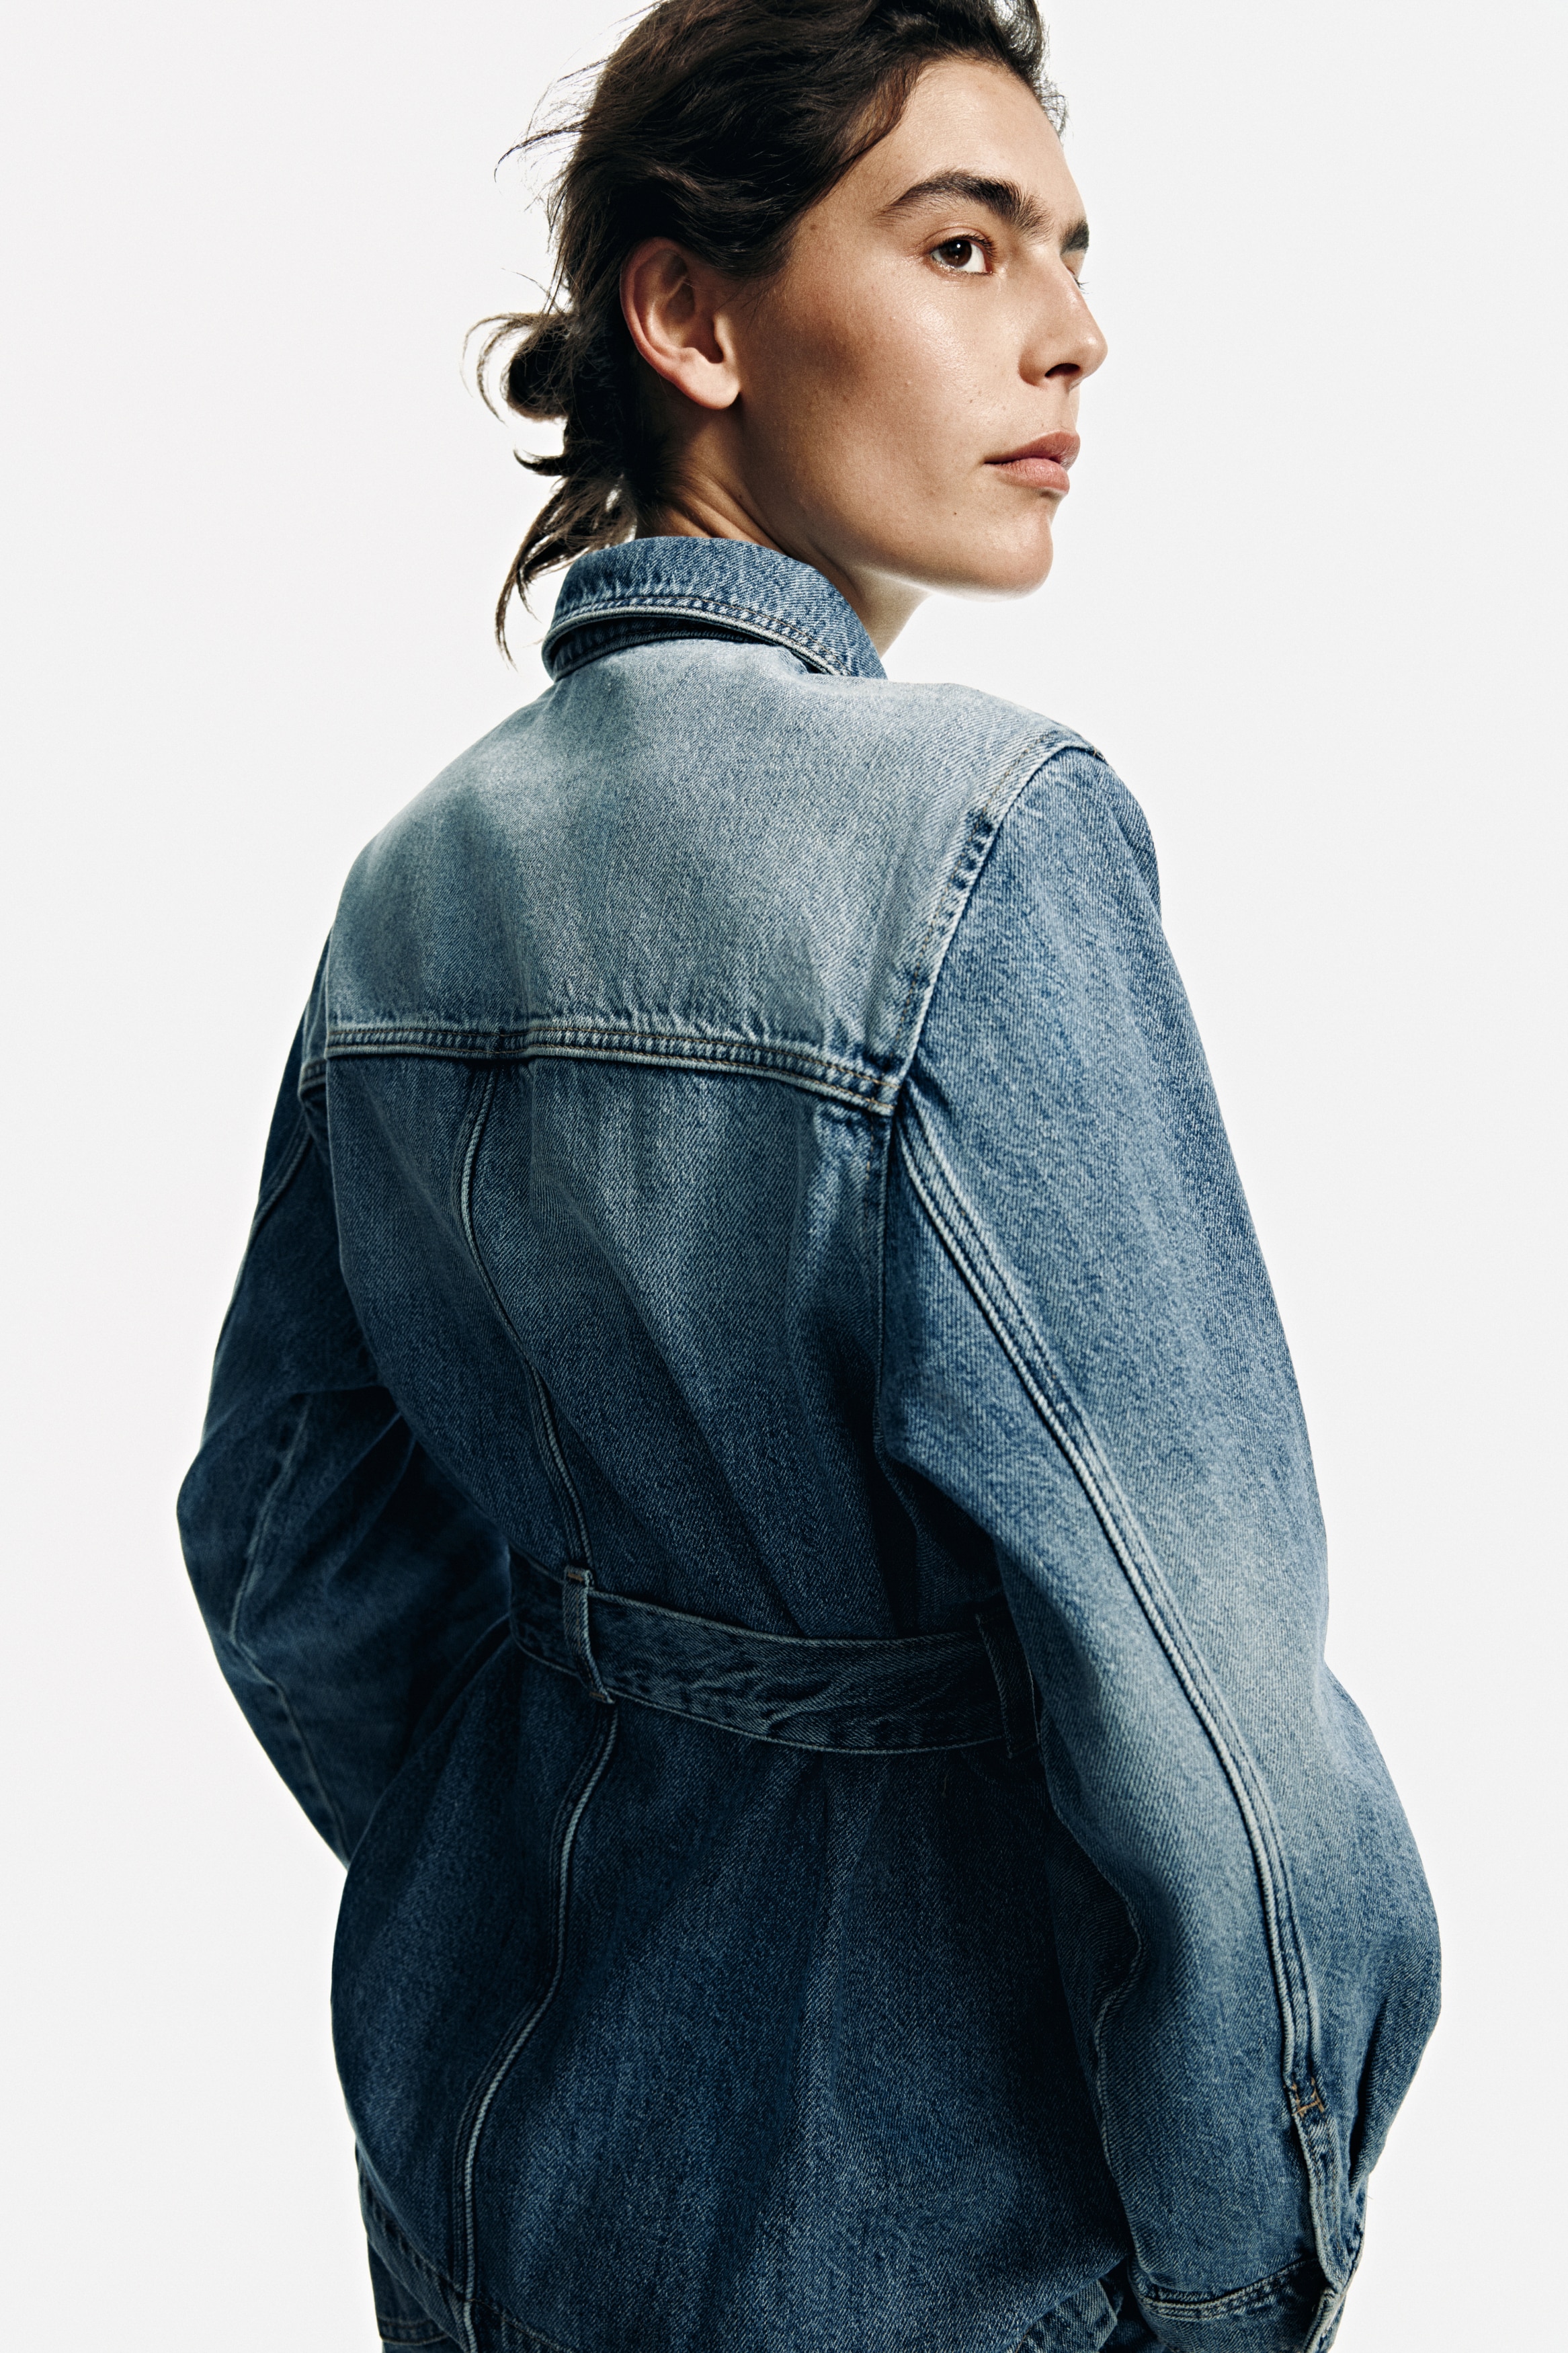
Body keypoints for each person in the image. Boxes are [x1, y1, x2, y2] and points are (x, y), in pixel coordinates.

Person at [177, 2, 1440, 2348]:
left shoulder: (415, 875)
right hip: (938, 2225)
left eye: (1070, 250)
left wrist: (530, 1860)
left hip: (485, 2175)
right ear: (691, 317)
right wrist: (1241, 2273)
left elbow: (284, 1534)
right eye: (964, 246)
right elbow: (1220, 1735)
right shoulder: (983, 840)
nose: (1071, 332)